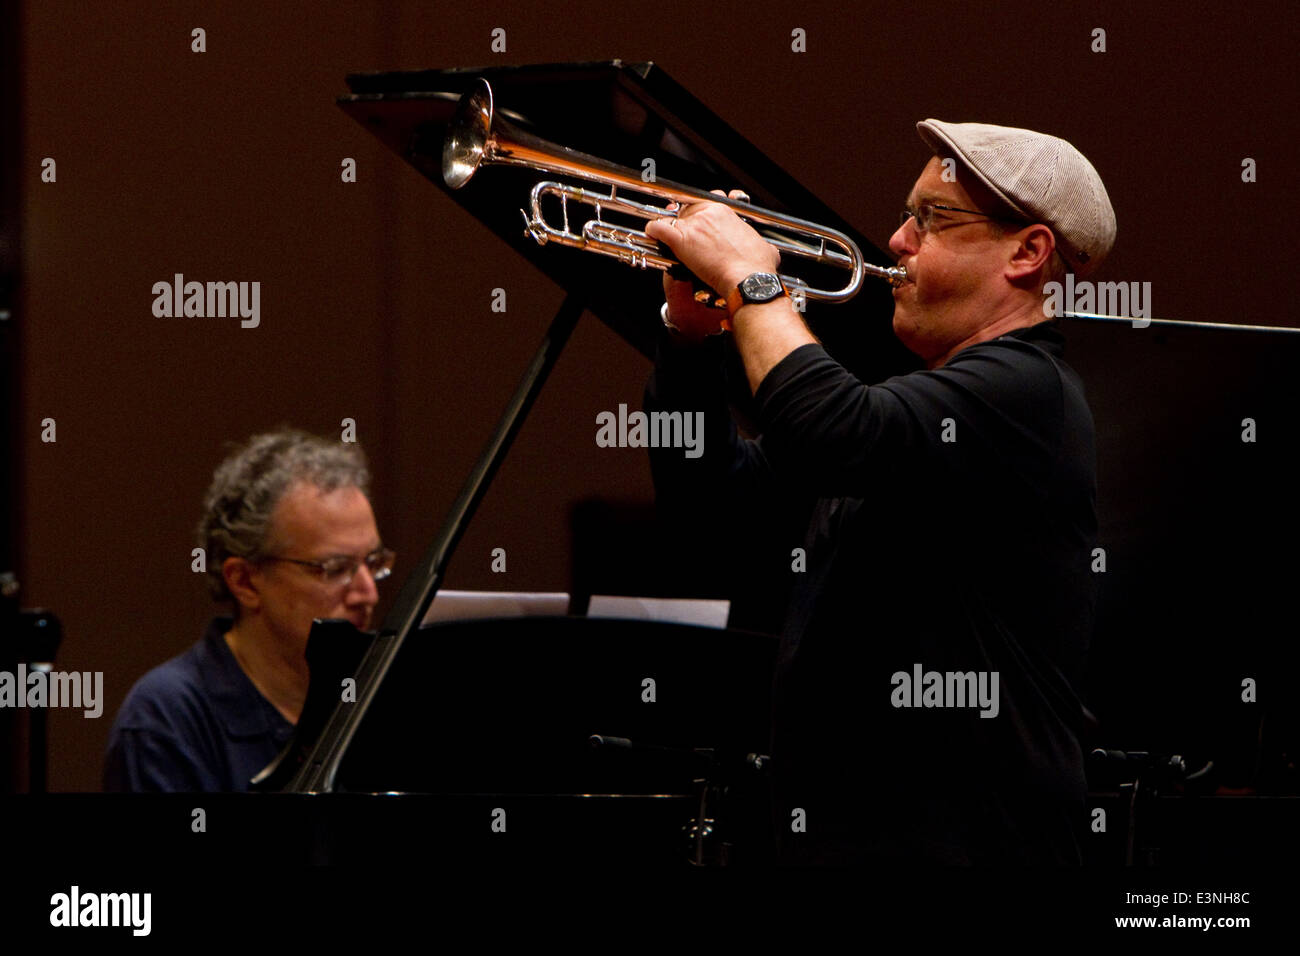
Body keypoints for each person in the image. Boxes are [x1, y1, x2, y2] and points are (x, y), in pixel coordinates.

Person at [643, 120, 1116, 863]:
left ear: (1027, 253)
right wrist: (689, 335)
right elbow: (713, 504)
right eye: (906, 214)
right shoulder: (922, 408)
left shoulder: (1026, 392)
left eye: (931, 219)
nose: (896, 241)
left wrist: (751, 284)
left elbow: (833, 427)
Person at [104, 429, 394, 792]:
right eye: (334, 568)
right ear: (244, 581)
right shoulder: (166, 720)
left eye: (373, 562)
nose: (368, 593)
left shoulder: (380, 703)